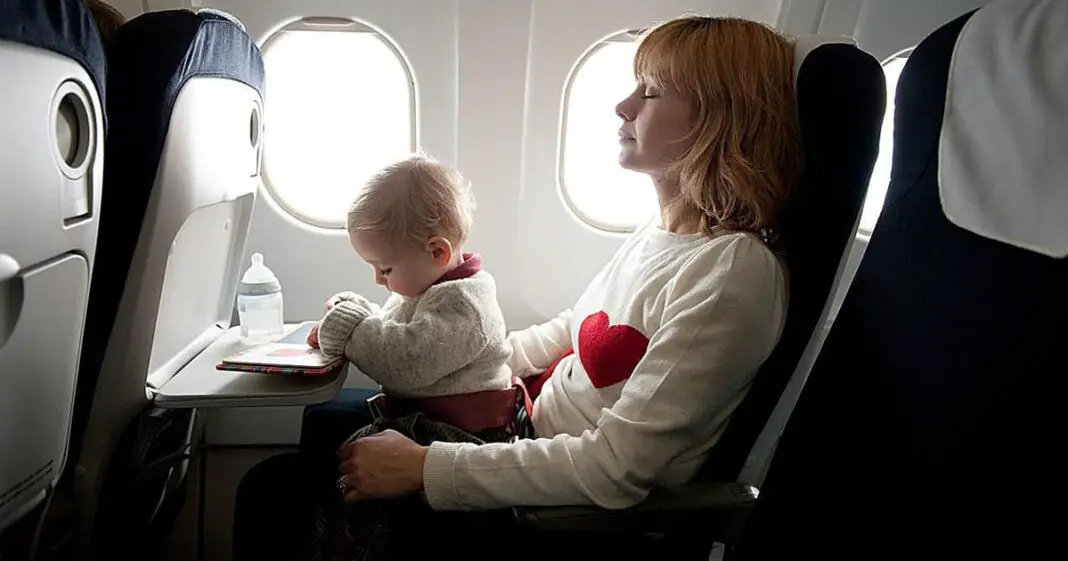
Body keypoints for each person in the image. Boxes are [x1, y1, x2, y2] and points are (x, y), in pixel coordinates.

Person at [233, 14, 801, 560]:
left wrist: (425, 466)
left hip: (556, 518)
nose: (622, 106)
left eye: (649, 92)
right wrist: (474, 371)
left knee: (274, 494)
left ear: (718, 119)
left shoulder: (731, 275)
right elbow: (569, 334)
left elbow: (617, 466)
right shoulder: (661, 234)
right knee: (316, 434)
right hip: (516, 427)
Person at [301, 154, 522, 558]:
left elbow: (405, 364)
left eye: (384, 268)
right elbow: (393, 329)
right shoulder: (430, 286)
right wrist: (355, 312)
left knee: (360, 462)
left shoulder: (465, 305)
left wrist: (348, 327)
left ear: (437, 251)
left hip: (459, 433)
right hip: (428, 416)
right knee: (322, 422)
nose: (378, 280)